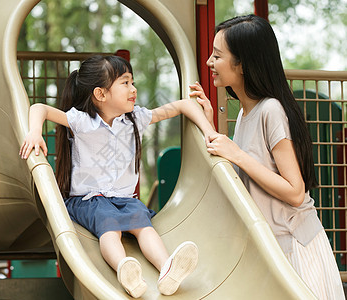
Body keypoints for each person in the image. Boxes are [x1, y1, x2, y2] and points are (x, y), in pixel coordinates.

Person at [20, 55, 216, 297]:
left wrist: (209, 131)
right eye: (125, 83)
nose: (133, 89)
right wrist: (34, 133)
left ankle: (167, 269)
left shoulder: (136, 118)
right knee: (109, 224)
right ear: (101, 94)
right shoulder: (83, 122)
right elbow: (39, 108)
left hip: (124, 198)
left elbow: (183, 106)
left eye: (132, 82)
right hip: (88, 199)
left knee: (142, 223)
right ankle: (123, 267)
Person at [190, 15, 345, 299]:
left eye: (217, 55)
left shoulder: (271, 110)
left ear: (243, 64)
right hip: (273, 248)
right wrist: (208, 123)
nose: (209, 62)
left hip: (296, 249)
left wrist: (237, 154)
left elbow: (296, 192)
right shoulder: (246, 113)